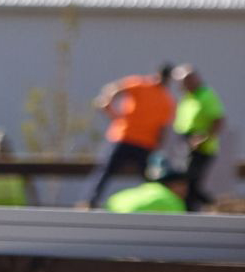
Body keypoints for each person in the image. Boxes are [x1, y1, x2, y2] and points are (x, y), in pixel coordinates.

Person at [83, 65, 178, 207]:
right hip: (124, 137)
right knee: (105, 170)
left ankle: (152, 204)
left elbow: (162, 128)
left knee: (149, 178)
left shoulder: (166, 100)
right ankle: (90, 201)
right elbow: (115, 89)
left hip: (144, 142)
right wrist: (109, 107)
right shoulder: (140, 84)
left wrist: (158, 146)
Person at [172, 65, 225, 210]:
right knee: (188, 184)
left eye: (183, 82)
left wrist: (204, 138)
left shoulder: (206, 95)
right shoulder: (189, 96)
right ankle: (199, 210)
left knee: (190, 184)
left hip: (202, 147)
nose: (180, 86)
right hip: (188, 144)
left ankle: (219, 207)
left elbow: (219, 120)